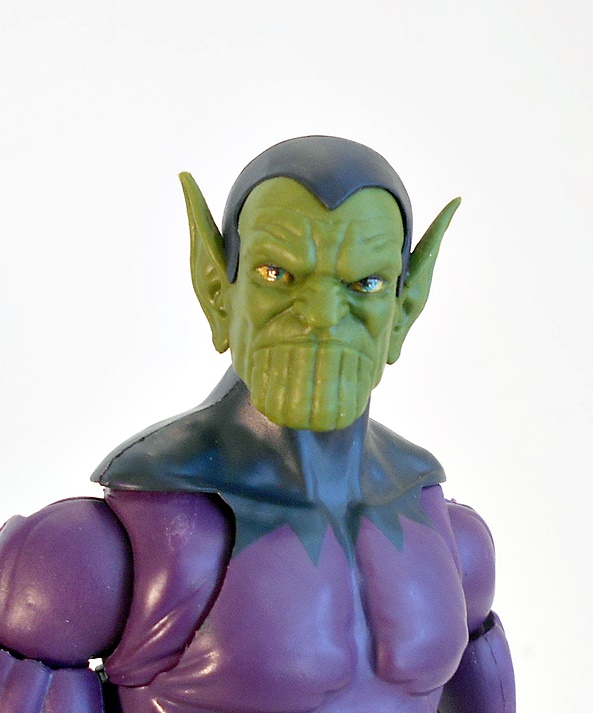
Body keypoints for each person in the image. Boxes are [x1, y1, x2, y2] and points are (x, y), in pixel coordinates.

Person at [0, 137, 515, 713]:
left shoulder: (453, 540)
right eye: (278, 273)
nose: (322, 315)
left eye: (364, 283)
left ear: (405, 307)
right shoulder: (110, 548)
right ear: (217, 290)